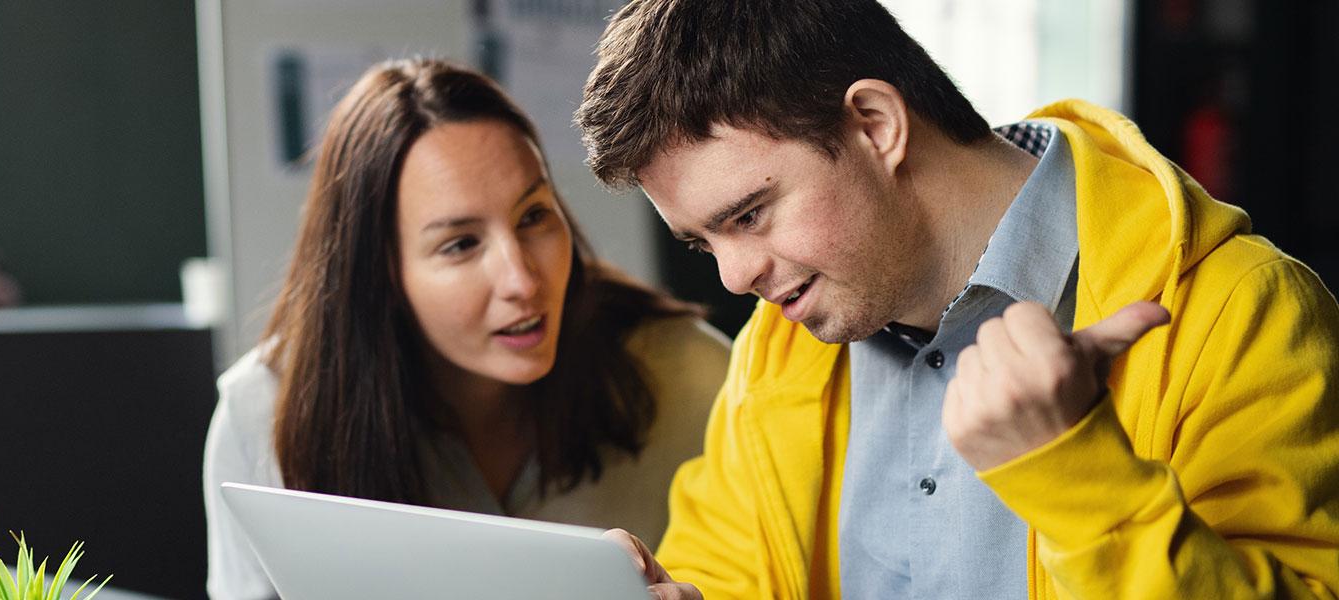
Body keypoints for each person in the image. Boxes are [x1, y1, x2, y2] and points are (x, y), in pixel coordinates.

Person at [572, 1, 1339, 598]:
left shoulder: (1242, 310)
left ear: (876, 126)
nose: (734, 279)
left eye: (749, 215)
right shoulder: (776, 352)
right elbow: (731, 575)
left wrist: (1071, 470)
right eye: (705, 243)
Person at [201, 58, 731, 600]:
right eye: (460, 244)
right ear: (380, 273)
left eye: (533, 217)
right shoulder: (264, 415)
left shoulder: (692, 377)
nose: (522, 279)